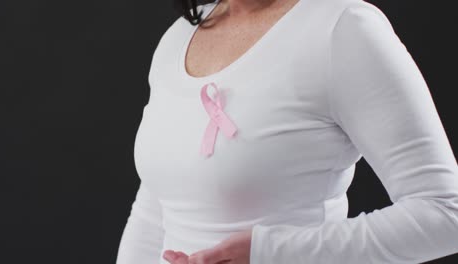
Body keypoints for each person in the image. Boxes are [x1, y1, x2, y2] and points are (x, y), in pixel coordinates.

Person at [116, 0, 458, 263]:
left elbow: (446, 212)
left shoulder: (342, 28)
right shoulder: (178, 38)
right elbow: (156, 205)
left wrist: (271, 253)